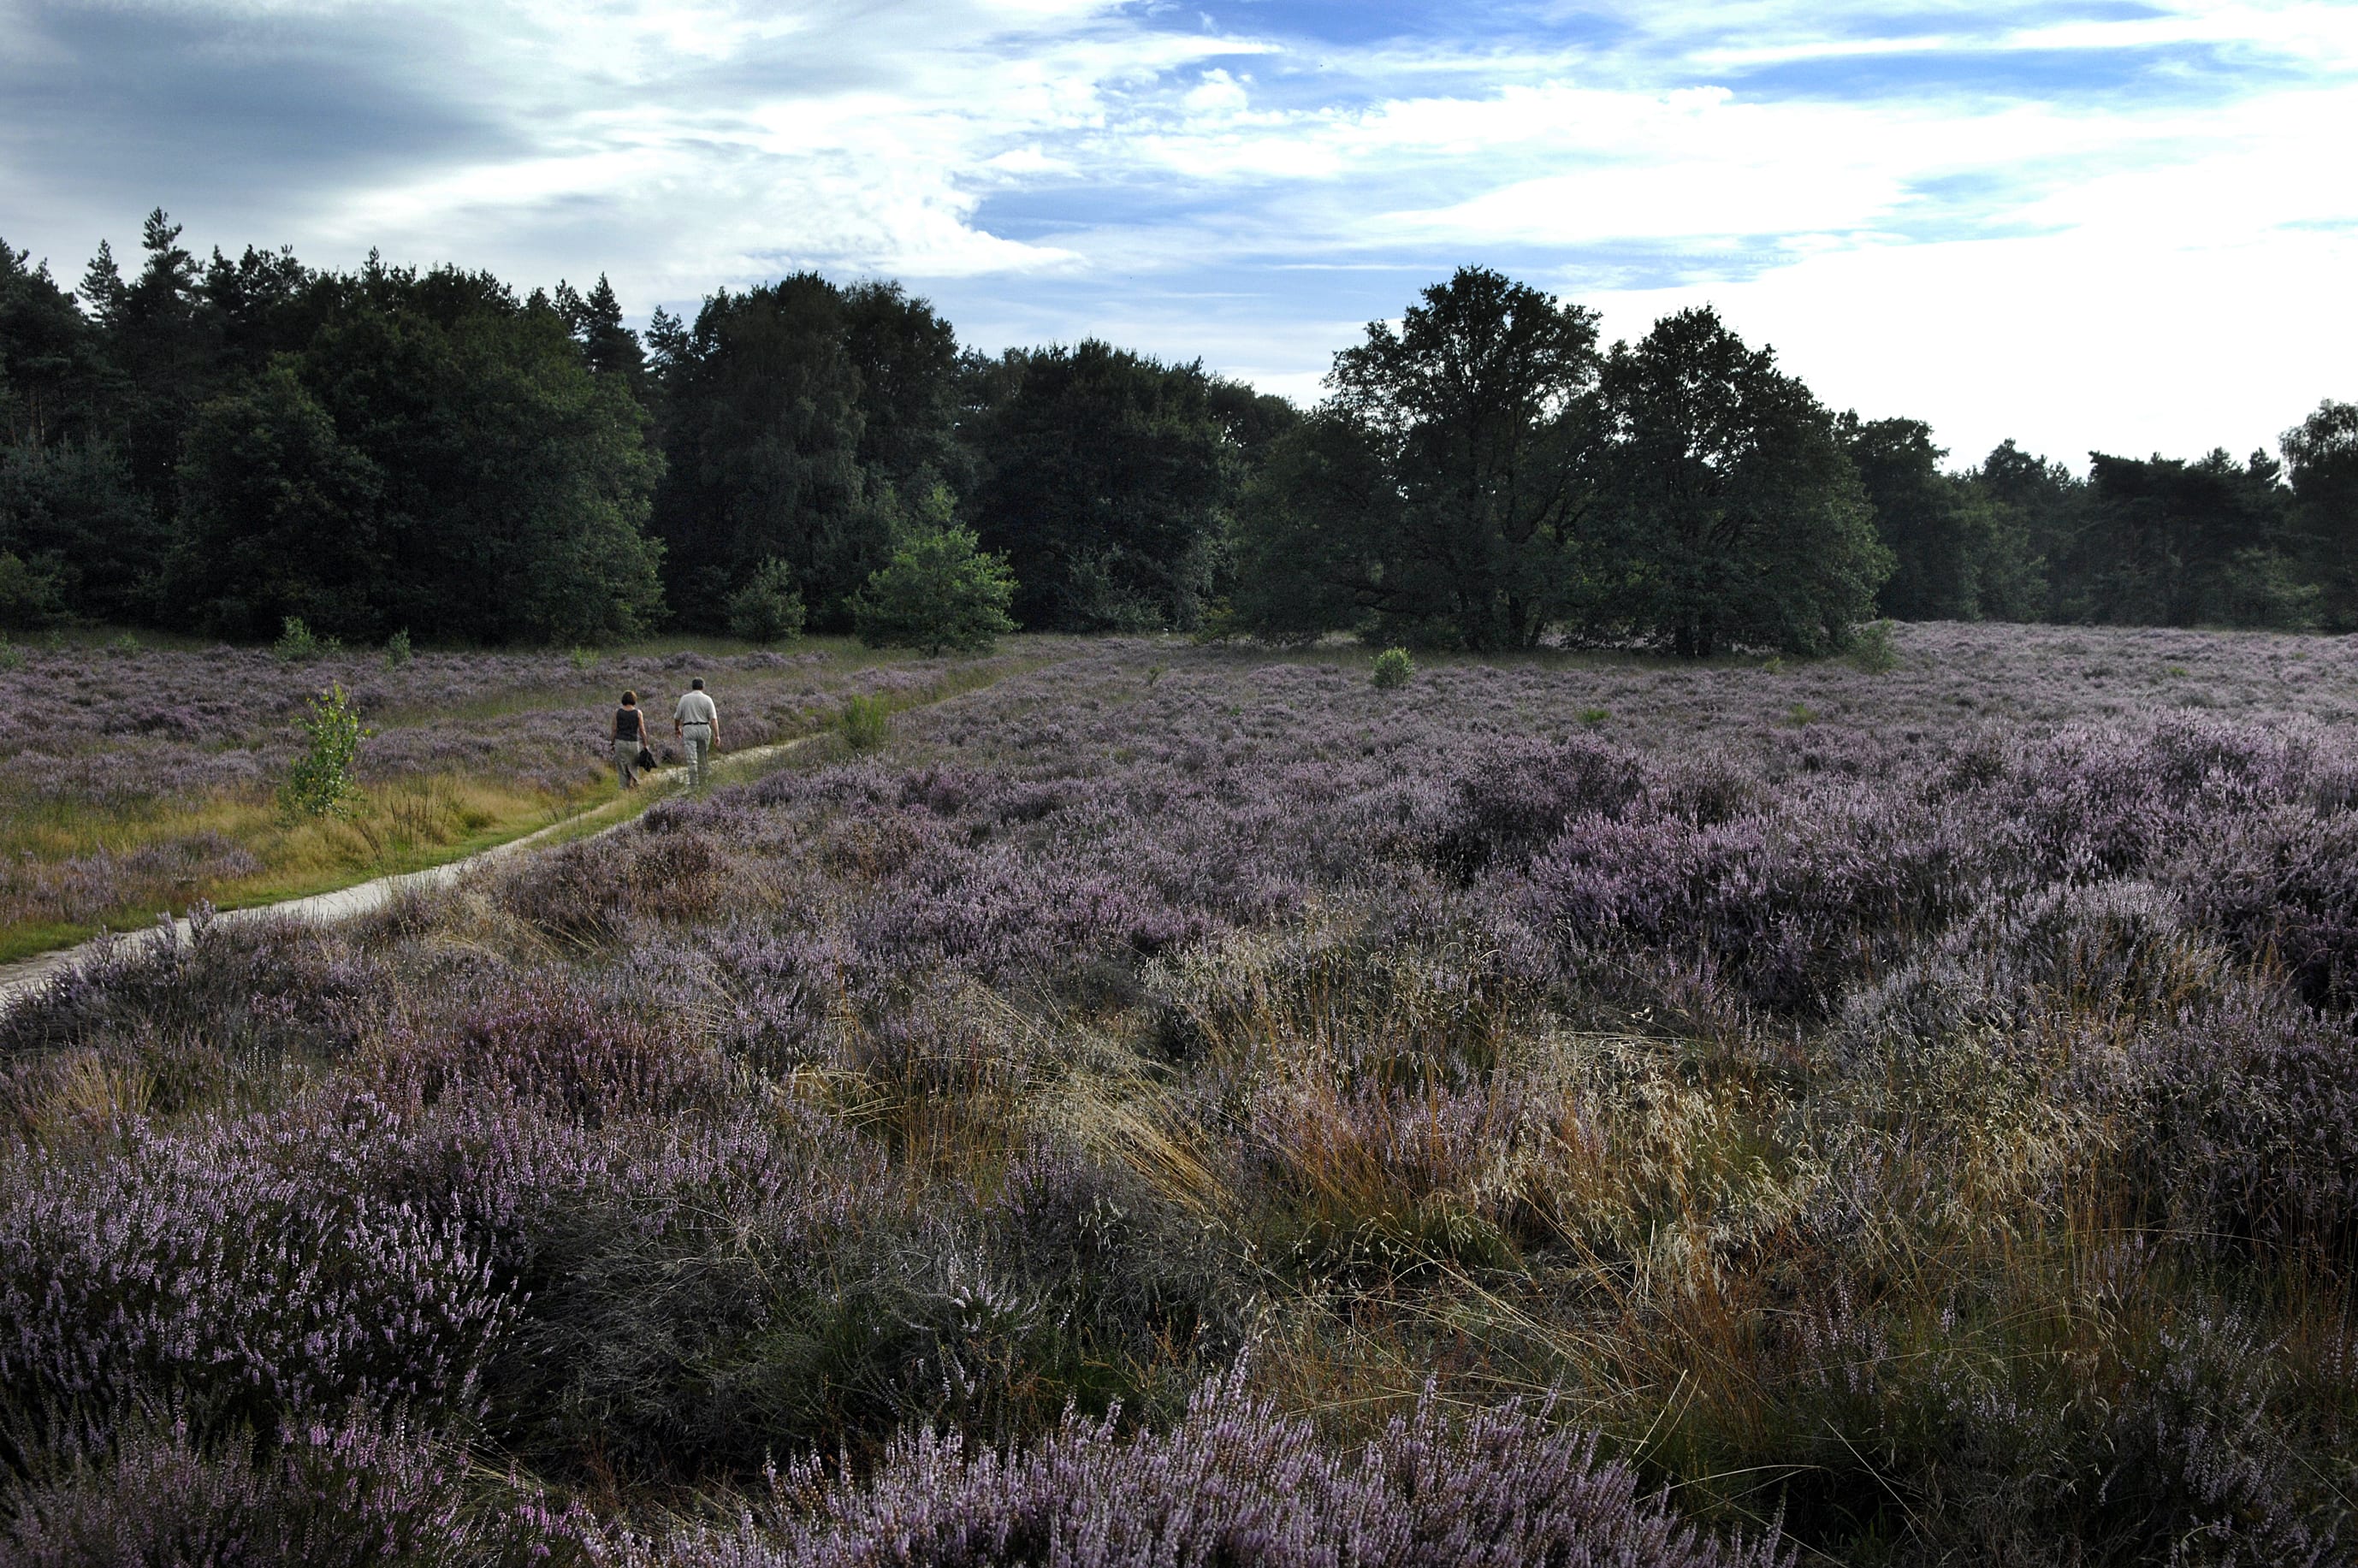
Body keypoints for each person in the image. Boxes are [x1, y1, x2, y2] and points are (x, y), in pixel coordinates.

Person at [673, 676, 720, 785]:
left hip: (689, 728)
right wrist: (717, 735)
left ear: (692, 687)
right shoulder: (708, 699)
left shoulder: (684, 698)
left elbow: (677, 717)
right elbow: (713, 719)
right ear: (703, 687)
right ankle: (703, 783)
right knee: (703, 757)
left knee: (692, 759)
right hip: (704, 728)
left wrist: (677, 728)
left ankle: (693, 785)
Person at [611, 690, 650, 788]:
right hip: (633, 743)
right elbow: (642, 731)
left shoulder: (617, 712)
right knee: (633, 767)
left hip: (620, 742)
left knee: (622, 769)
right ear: (634, 700)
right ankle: (635, 785)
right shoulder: (638, 713)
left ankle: (624, 789)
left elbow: (614, 730)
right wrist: (645, 745)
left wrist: (612, 743)